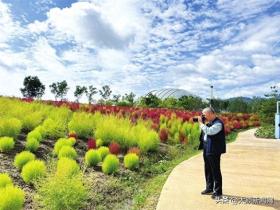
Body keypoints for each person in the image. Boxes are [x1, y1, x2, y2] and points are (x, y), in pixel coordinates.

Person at [196, 107, 226, 199]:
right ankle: (209, 188)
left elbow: (210, 132)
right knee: (208, 169)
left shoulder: (218, 124)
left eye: (204, 115)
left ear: (210, 114)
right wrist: (203, 124)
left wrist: (201, 123)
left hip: (214, 150)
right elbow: (204, 133)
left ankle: (218, 192)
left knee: (215, 170)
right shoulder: (209, 123)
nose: (203, 116)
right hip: (207, 148)